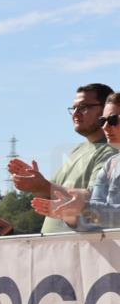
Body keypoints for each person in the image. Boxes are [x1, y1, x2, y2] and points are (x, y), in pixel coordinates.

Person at [8, 83, 117, 234]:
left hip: (84, 250)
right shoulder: (79, 150)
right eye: (74, 108)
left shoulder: (112, 151)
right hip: (58, 248)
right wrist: (35, 184)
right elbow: (54, 196)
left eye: (84, 107)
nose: (75, 114)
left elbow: (94, 201)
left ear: (105, 110)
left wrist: (44, 186)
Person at [33, 92, 120, 230]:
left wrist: (85, 208)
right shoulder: (110, 165)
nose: (105, 127)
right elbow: (93, 223)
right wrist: (70, 214)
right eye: (102, 121)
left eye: (113, 120)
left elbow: (97, 211)